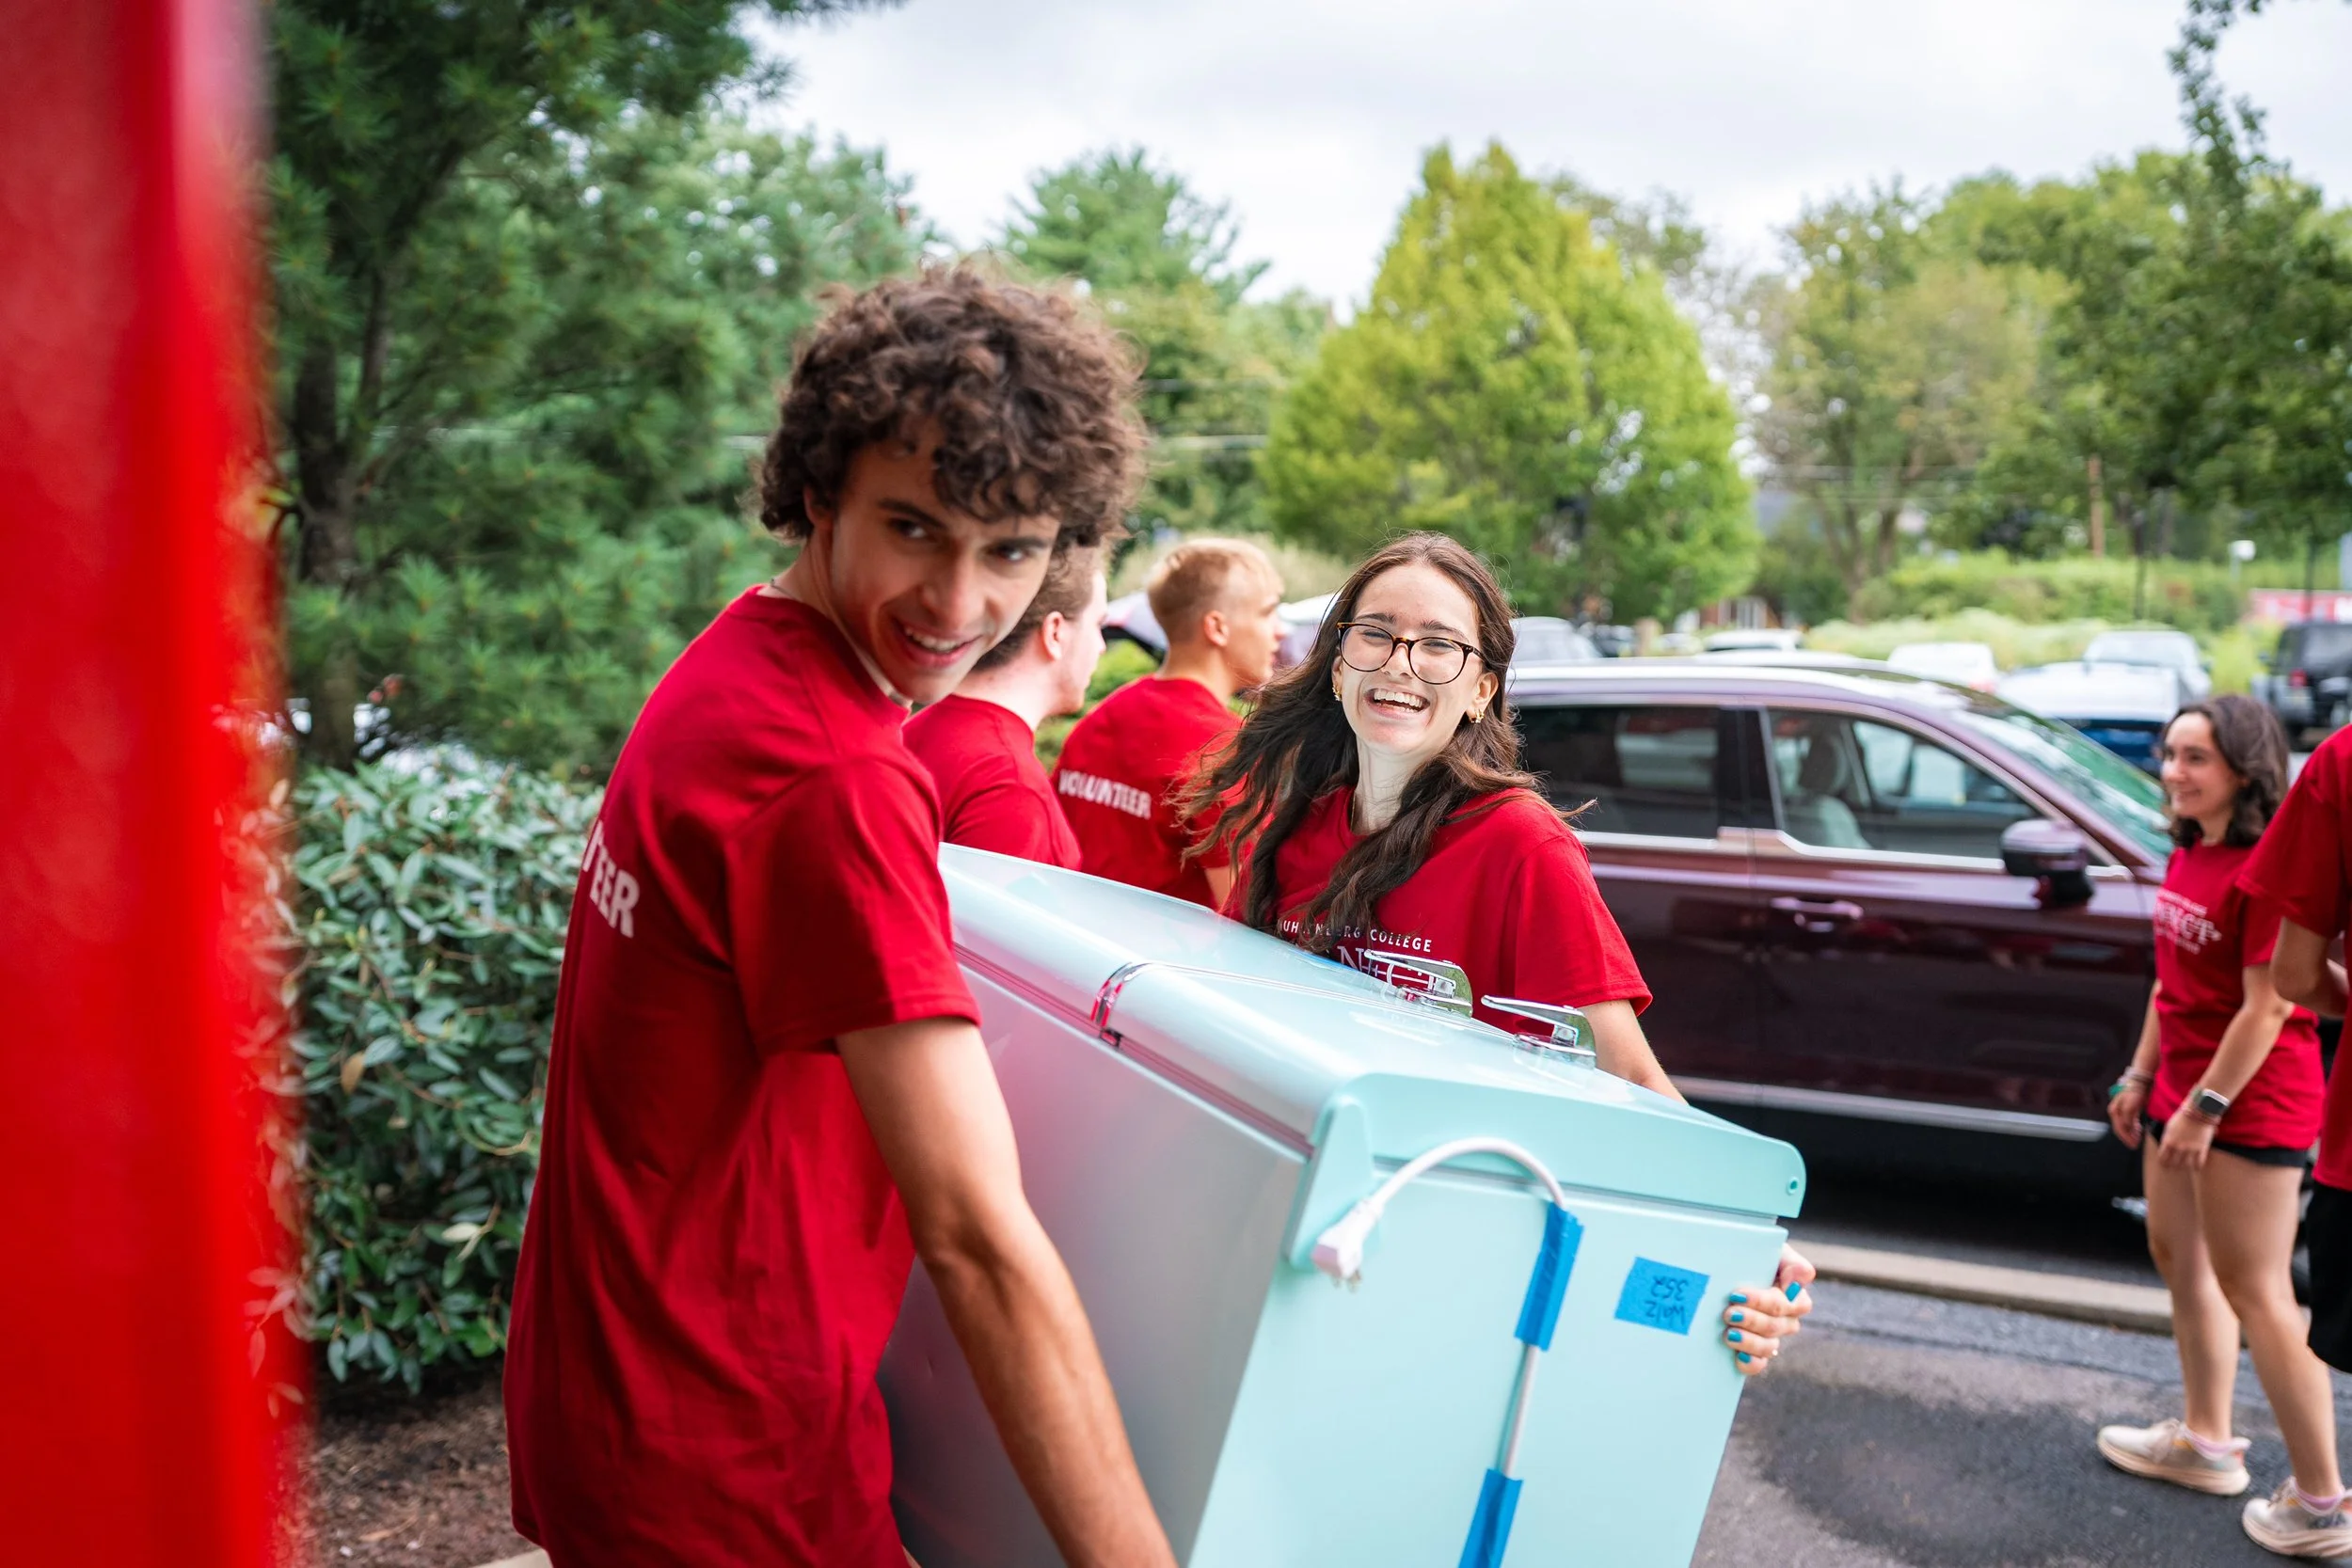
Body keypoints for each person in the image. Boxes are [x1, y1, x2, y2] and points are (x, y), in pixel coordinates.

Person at [503, 269, 1176, 1568]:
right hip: (726, 1458)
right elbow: (977, 1238)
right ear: (821, 494)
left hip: (618, 1396)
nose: (960, 604)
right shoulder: (834, 771)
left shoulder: (737, 662)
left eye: (1012, 550)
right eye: (915, 527)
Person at [1184, 531, 1812, 1374]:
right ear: (1337, 665)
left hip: (1458, 1270)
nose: (1402, 661)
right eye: (1375, 632)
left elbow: (1626, 1078)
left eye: (1440, 644)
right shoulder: (1294, 831)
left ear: (1480, 689)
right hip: (1299, 1236)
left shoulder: (1521, 843)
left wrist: (1743, 1244)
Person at [2096, 697, 2343, 1558]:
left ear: (2244, 768)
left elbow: (2270, 1004)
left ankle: (2324, 1503)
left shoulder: (2263, 867)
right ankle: (2206, 1443)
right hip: (2178, 1092)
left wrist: (2206, 1106)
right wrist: (2140, 1075)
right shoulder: (2187, 850)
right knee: (2179, 1256)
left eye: (2195, 757)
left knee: (2260, 1292)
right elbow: (2172, 986)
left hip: (2250, 1102)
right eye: (2169, 753)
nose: (2173, 770)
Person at [1053, 537, 1283, 908]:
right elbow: (1244, 911)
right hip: (1170, 962)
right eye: (1267, 612)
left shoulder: (1103, 717)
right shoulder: (1221, 745)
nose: (1280, 630)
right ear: (1217, 628)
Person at [903, 542, 1109, 868]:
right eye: (1097, 625)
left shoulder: (914, 728)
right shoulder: (1010, 787)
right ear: (1055, 633)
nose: (1100, 647)